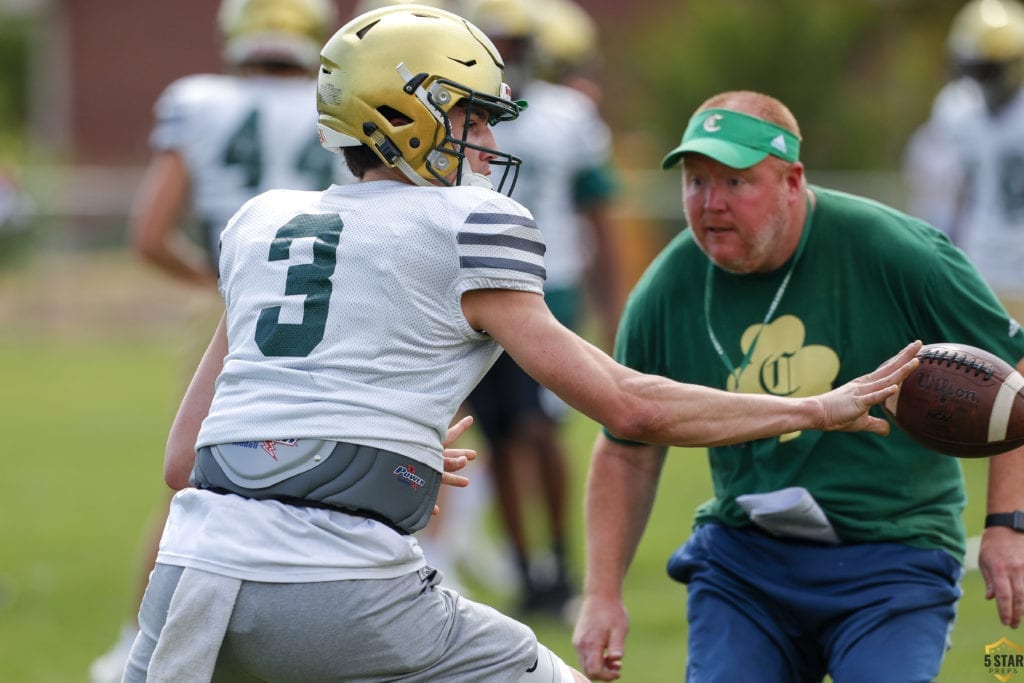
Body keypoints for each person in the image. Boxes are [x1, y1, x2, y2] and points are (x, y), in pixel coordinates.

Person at [122, 8, 922, 681]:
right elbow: (627, 403)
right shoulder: (468, 224)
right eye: (469, 117)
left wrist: (367, 455)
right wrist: (815, 404)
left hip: (190, 583)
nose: (483, 142)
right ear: (406, 116)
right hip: (343, 586)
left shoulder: (261, 224)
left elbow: (185, 459)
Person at [571, 90, 1024, 682]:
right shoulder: (666, 289)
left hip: (894, 552)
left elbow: (1012, 382)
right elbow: (627, 451)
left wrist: (1006, 527)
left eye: (736, 182)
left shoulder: (896, 251)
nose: (710, 203)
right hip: (746, 560)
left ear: (792, 180)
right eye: (696, 181)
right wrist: (601, 594)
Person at [89, 1, 345, 681]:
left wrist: (220, 279)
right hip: (335, 303)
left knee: (196, 482)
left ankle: (136, 640)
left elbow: (149, 234)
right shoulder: (341, 98)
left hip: (232, 307)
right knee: (337, 472)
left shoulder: (199, 101)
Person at [459, 0, 624, 618]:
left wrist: (614, 303)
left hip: (551, 286)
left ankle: (559, 559)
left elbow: (598, 210)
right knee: (500, 436)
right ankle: (530, 572)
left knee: (540, 427)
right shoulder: (453, 114)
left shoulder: (566, 114)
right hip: (473, 288)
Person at [905, 0, 1024, 334]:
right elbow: (938, 192)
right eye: (973, 69)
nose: (980, 82)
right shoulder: (956, 109)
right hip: (978, 267)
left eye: (989, 70)